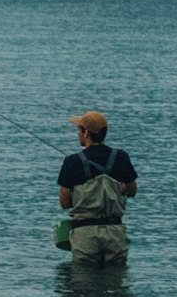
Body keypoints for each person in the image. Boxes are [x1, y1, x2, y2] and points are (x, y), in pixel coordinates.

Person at [56, 110, 137, 262]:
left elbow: (64, 203)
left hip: (84, 234)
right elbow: (133, 191)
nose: (78, 133)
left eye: (79, 130)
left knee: (84, 280)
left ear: (86, 133)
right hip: (115, 233)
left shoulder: (71, 161)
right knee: (116, 281)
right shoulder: (121, 157)